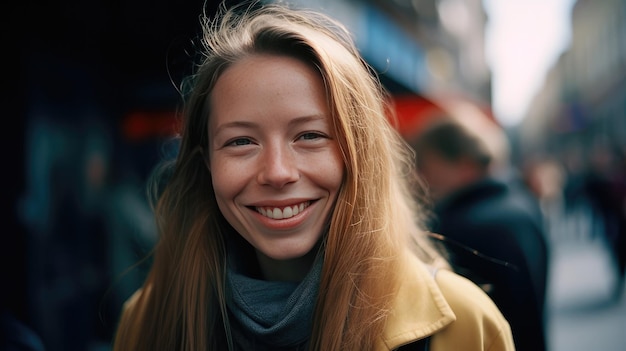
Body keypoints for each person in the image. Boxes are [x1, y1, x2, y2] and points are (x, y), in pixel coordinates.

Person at [112, 2, 515, 350]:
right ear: (206, 165)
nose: (277, 172)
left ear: (359, 156)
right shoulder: (146, 322)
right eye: (240, 142)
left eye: (309, 136)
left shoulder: (465, 326)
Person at [407, 115, 549, 351]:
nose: (419, 178)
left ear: (465, 166)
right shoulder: (522, 205)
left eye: (425, 166)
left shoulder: (461, 227)